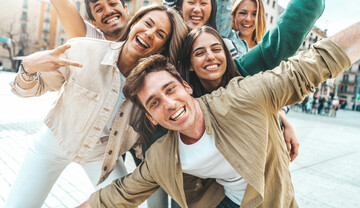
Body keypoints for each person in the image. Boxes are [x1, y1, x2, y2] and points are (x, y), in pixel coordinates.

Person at [78, 20, 360, 207]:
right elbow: (117, 195)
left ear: (186, 86)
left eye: (170, 90)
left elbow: (314, 63)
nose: (169, 104)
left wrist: (280, 117)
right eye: (154, 103)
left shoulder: (242, 96)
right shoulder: (162, 156)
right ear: (151, 117)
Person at [6, 4, 188, 208]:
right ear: (135, 22)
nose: (149, 33)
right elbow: (25, 90)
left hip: (101, 156)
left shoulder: (153, 86)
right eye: (147, 23)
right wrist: (28, 68)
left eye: (160, 34)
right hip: (54, 142)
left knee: (121, 204)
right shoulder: (84, 50)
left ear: (162, 47)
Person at [177, 26, 298, 161]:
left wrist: (281, 118)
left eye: (216, 49)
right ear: (190, 65)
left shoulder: (244, 75)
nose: (210, 57)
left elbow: (284, 36)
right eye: (199, 53)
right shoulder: (186, 102)